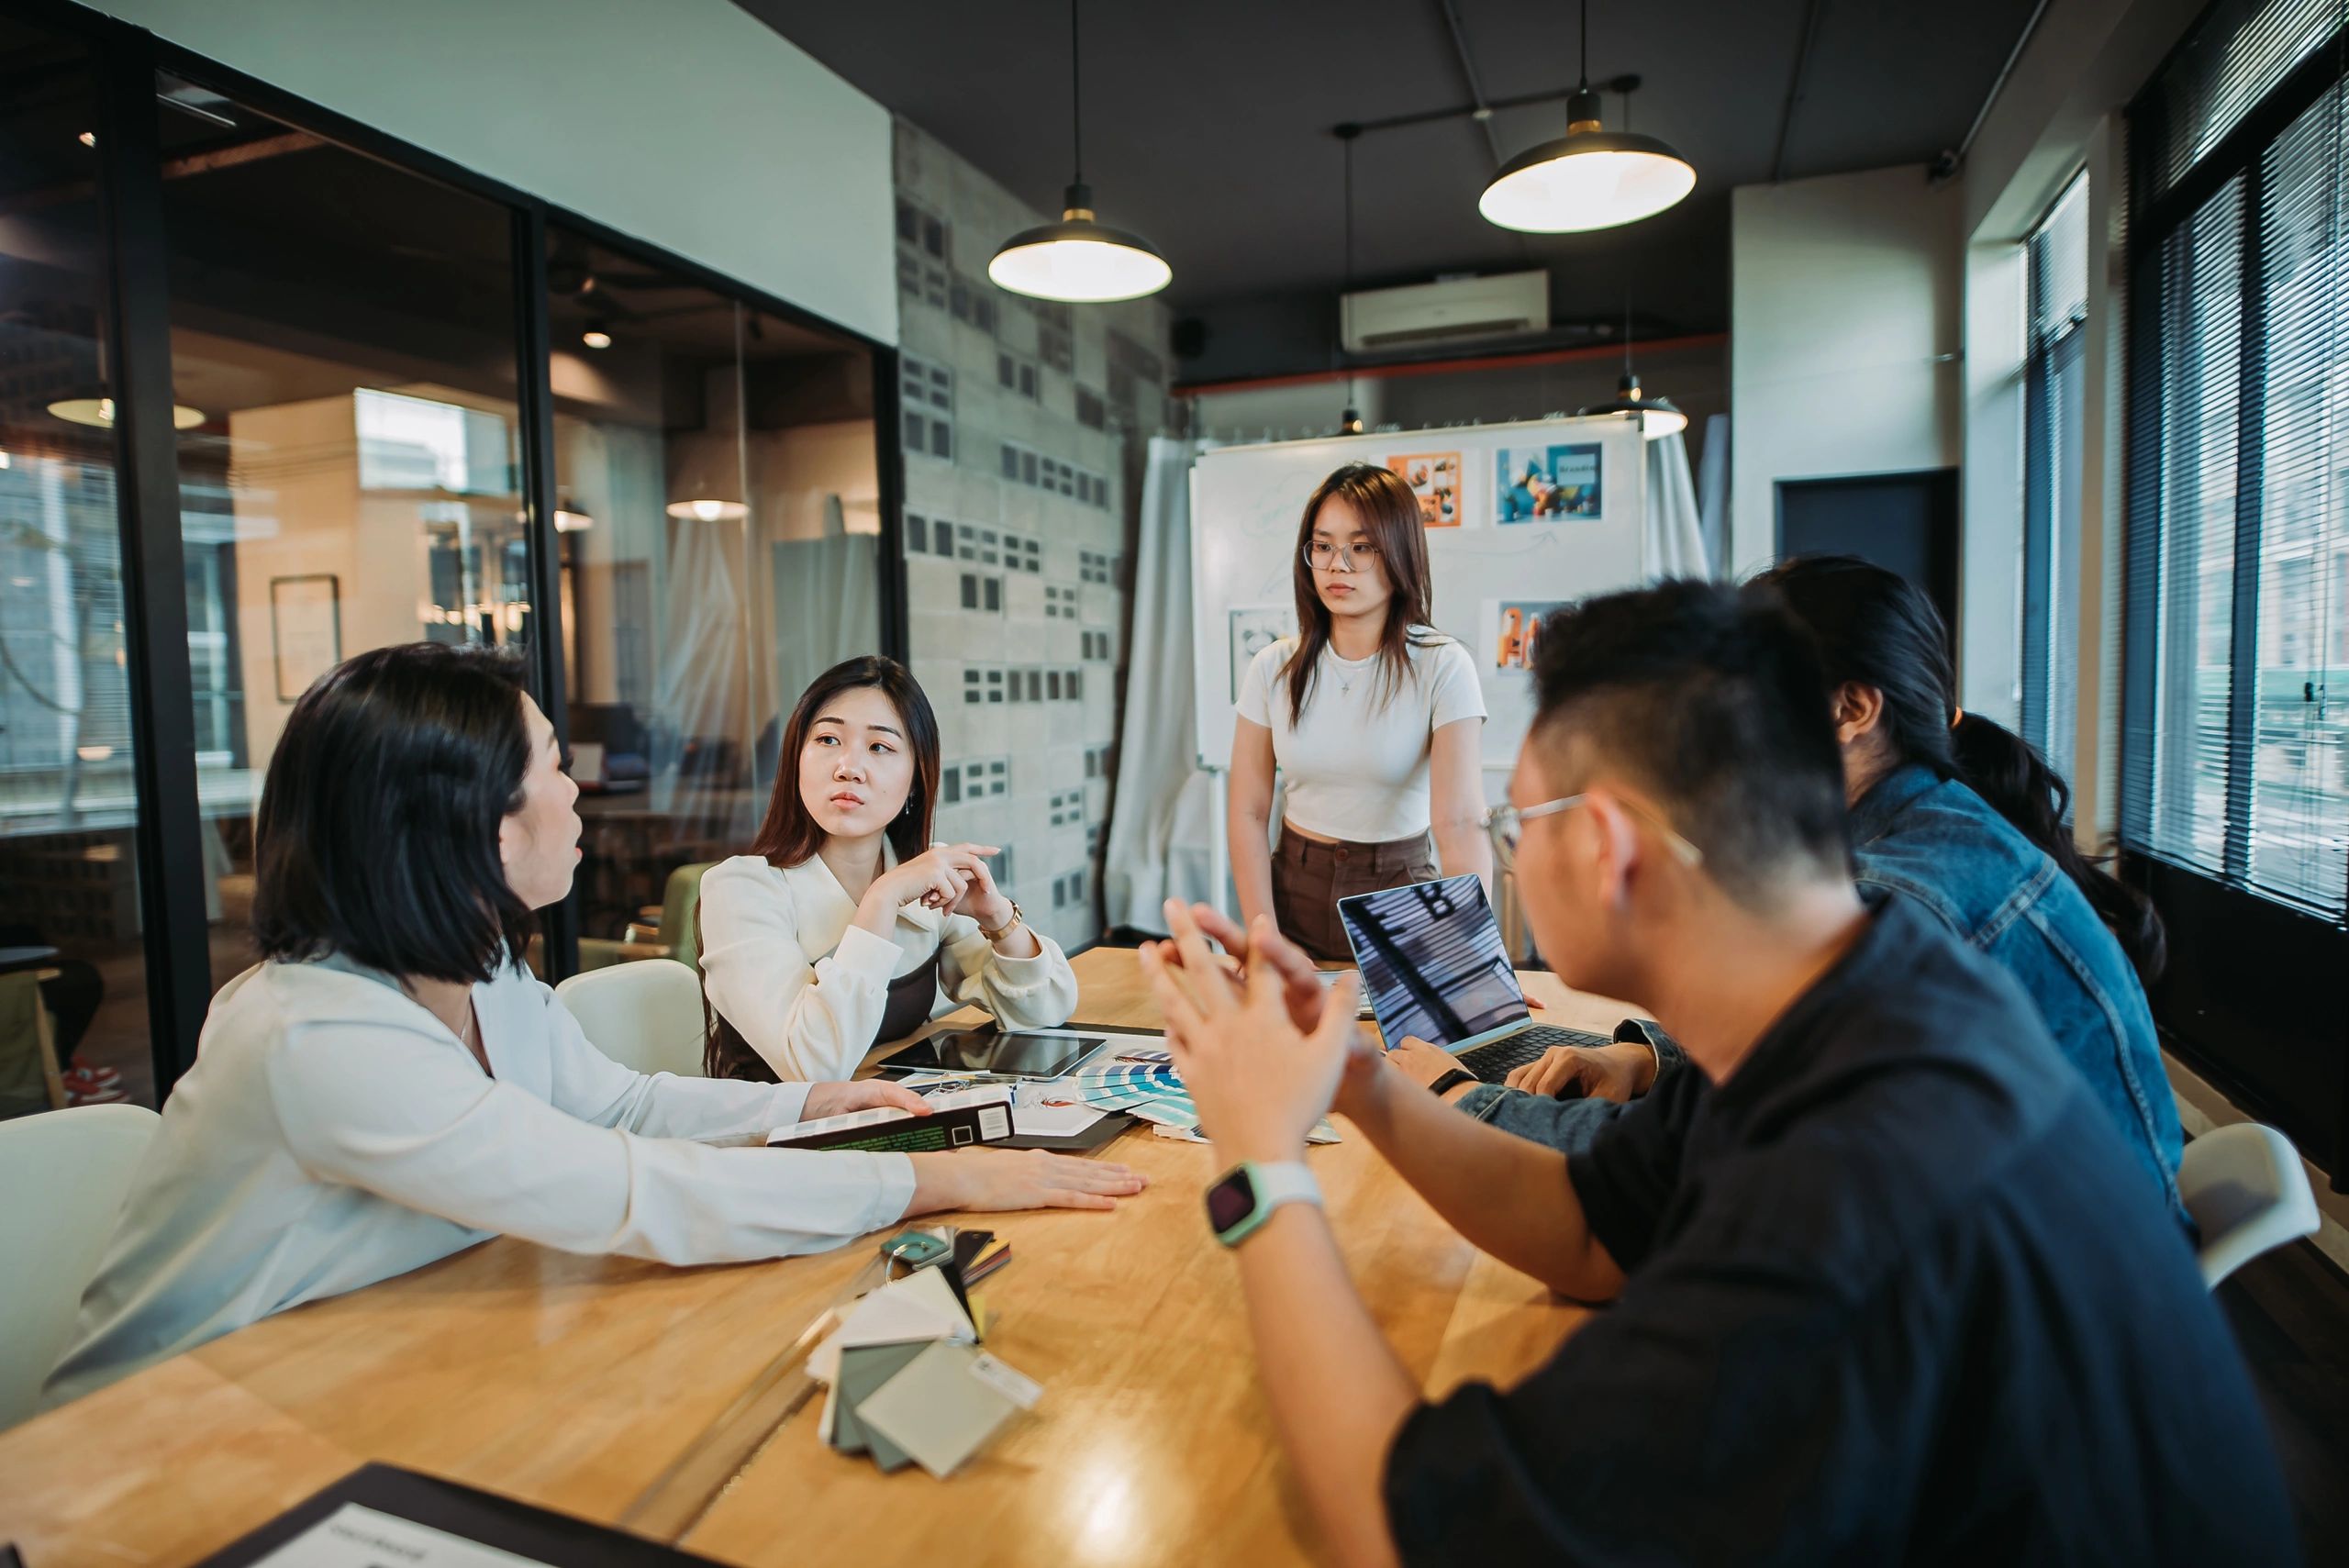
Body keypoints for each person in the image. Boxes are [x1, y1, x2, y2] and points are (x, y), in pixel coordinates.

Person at [1141, 582, 2293, 1567]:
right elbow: (1596, 1231)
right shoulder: (1854, 998)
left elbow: (1406, 1533)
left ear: (1607, 843)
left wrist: (1256, 1161)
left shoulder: (1855, 1180)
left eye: (1515, 820)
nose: (1507, 853)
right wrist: (1359, 1083)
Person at [44, 644, 1140, 1408]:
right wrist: (935, 1179)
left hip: (361, 1353)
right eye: (555, 769)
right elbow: (625, 1182)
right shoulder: (315, 1034)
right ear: (461, 819)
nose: (579, 797)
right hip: (172, 1435)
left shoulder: (477, 965)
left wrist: (810, 1101)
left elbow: (620, 1100)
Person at [1399, 556, 2189, 1222]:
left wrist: (1459, 1102)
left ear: (1851, 709)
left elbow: (1697, 1167)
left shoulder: (1896, 907)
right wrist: (1644, 1062)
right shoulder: (1915, 838)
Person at [699, 656, 1079, 1083]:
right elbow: (812, 1066)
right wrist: (881, 900)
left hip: (892, 1114)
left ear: (916, 778)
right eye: (827, 740)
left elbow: (1043, 1012)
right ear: (796, 759)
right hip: (777, 1139)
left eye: (879, 747)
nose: (848, 768)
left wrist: (998, 919)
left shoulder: (927, 874)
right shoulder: (739, 890)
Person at [1228, 462, 1490, 963]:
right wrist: (1264, 934)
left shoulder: (1442, 663)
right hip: (1291, 894)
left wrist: (1475, 957)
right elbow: (1248, 811)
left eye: (1362, 547)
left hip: (1399, 892)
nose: (1337, 565)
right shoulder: (1273, 666)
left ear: (1400, 555)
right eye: (1322, 546)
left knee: (1404, 1041)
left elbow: (1458, 821)